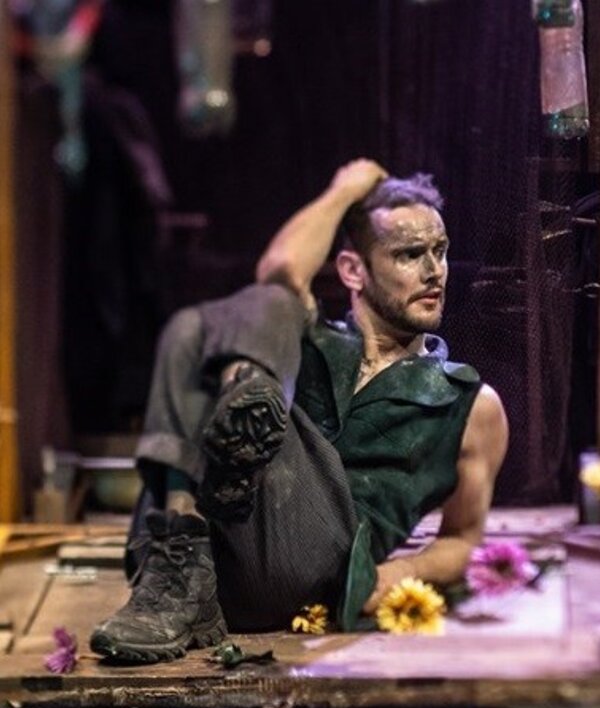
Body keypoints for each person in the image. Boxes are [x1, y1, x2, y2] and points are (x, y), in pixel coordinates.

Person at [90, 159, 508, 664]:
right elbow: (280, 270)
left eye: (440, 251)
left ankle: (227, 425)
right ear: (353, 270)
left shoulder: (468, 401)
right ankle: (180, 552)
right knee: (204, 326)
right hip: (220, 568)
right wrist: (344, 190)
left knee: (211, 336)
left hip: (315, 565)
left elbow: (463, 539)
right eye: (409, 254)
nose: (433, 271)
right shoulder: (309, 341)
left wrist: (393, 576)